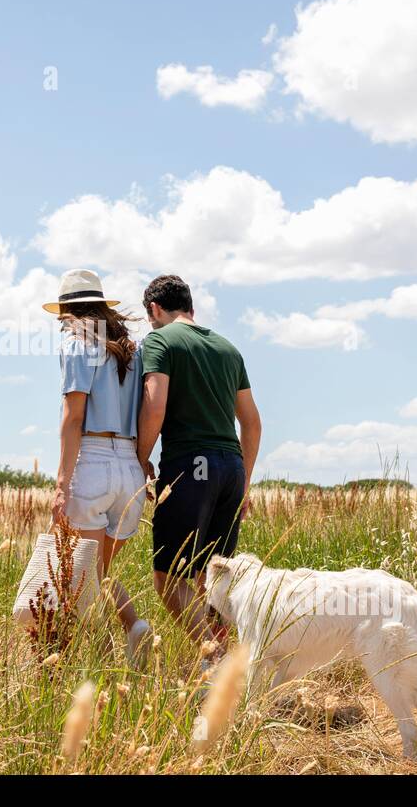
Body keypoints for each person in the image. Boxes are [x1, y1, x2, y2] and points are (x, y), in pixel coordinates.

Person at [136, 274, 262, 671]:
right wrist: (245, 482)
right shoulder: (228, 348)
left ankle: (218, 660)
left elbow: (155, 406)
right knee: (214, 580)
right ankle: (220, 672)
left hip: (191, 466)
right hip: (231, 469)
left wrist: (141, 458)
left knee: (169, 578)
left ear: (155, 310)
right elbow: (253, 423)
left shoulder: (160, 340)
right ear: (191, 306)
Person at [44, 269, 154, 667]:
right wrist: (143, 464)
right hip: (130, 467)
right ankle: (129, 631)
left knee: (82, 571)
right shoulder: (132, 350)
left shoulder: (77, 346)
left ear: (69, 313)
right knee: (98, 569)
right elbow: (147, 410)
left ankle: (110, 641)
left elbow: (73, 418)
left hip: (91, 461)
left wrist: (61, 484)